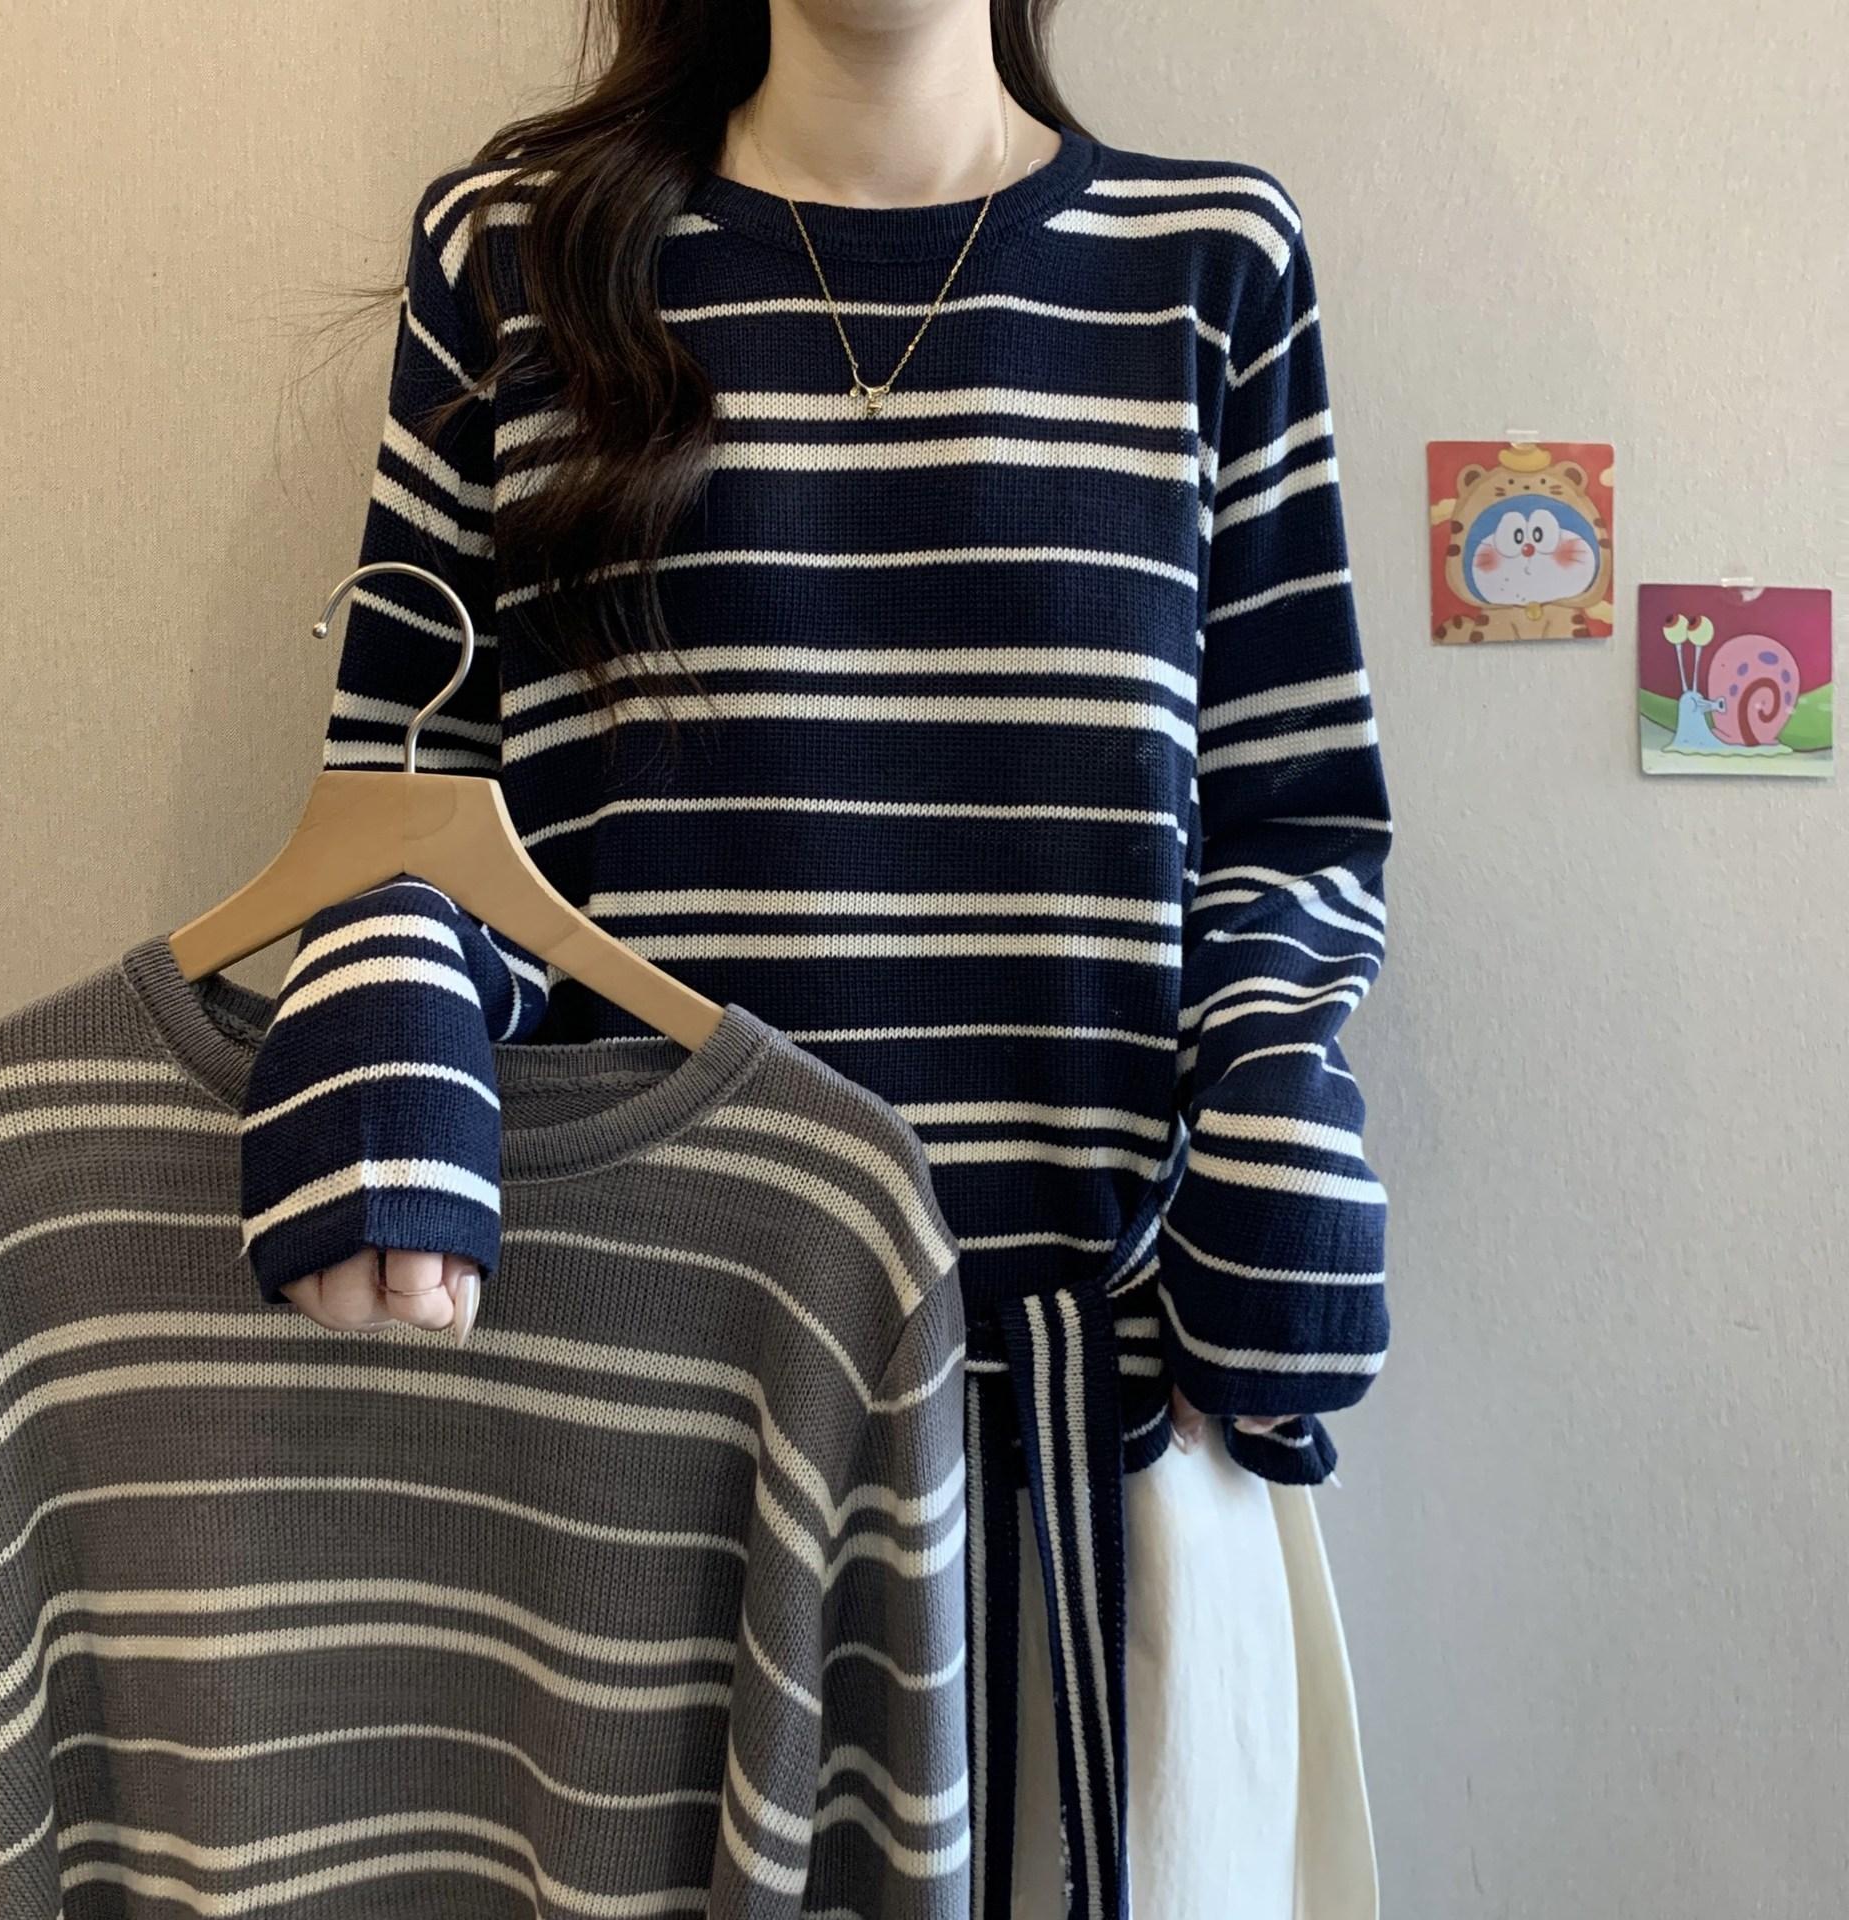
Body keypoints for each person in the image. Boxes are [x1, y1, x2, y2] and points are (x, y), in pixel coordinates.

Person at [244, 2, 1391, 1913]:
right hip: (646, 1435)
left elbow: (1294, 819)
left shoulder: (1213, 266)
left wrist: (1278, 1083)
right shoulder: (517, 257)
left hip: (1090, 1443)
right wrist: (387, 991)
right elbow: (415, 803)